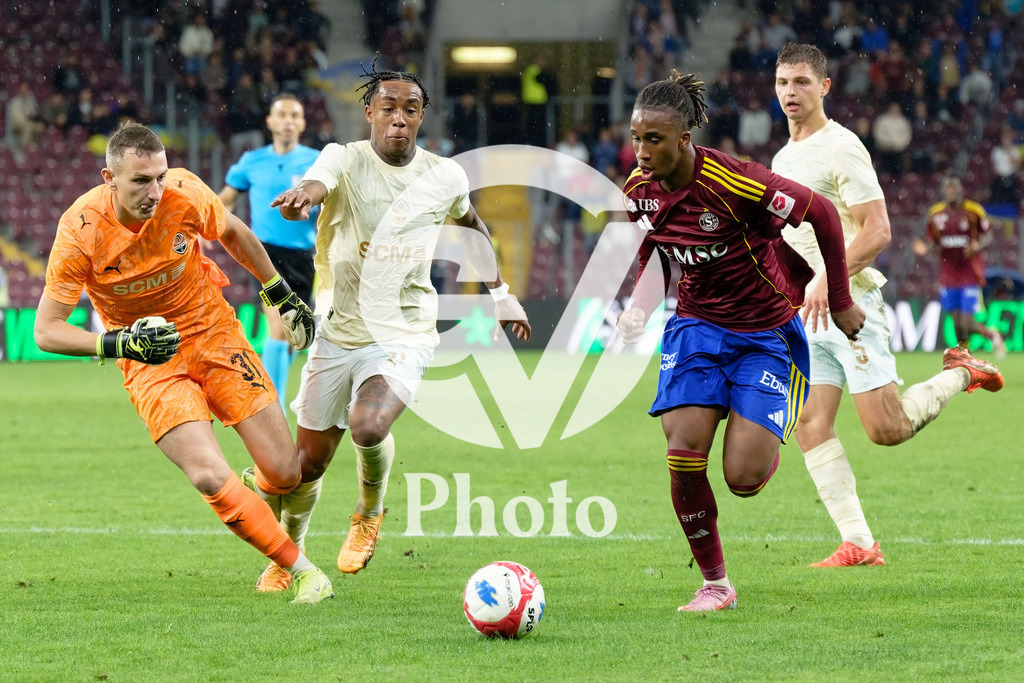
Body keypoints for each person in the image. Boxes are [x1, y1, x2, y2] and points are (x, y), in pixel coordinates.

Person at [241, 66, 532, 593]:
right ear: (370, 114)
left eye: (410, 110)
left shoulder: (445, 175)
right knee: (304, 467)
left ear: (421, 116)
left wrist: (500, 293)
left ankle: (369, 512)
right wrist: (304, 196)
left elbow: (473, 227)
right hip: (336, 331)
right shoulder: (343, 158)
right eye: (389, 108)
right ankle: (289, 556)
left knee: (368, 424)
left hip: (404, 330)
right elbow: (316, 181)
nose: (399, 119)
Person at [33, 121, 334, 604]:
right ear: (109, 179)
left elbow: (234, 232)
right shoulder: (80, 230)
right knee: (208, 474)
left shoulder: (184, 191)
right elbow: (46, 330)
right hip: (147, 356)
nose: (156, 191)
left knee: (284, 474)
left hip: (213, 331)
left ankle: (264, 489)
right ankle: (300, 569)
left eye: (160, 176)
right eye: (140, 181)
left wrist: (279, 292)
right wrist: (120, 345)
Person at [615, 70, 867, 613]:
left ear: (685, 138)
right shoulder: (639, 189)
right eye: (635, 138)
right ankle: (715, 584)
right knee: (682, 453)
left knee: (743, 480)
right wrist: (638, 306)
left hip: (766, 333)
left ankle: (751, 410)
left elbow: (821, 212)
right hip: (696, 327)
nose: (640, 151)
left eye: (652, 139)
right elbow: (654, 245)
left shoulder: (738, 182)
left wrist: (840, 299)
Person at [772, 44, 1004, 569]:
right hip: (810, 309)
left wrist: (828, 279)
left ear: (825, 87)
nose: (791, 92)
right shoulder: (783, 160)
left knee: (886, 430)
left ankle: (962, 373)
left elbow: (878, 231)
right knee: (810, 422)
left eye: (802, 82)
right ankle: (858, 542)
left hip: (850, 299)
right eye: (784, 82)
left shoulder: (842, 147)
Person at [219, 93, 321, 409]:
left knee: (294, 336)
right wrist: (202, 226)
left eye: (294, 115)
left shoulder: (318, 161)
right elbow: (225, 200)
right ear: (270, 122)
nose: (288, 121)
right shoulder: (252, 162)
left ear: (302, 123)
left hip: (304, 256)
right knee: (278, 326)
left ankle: (272, 392)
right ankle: (271, 405)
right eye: (282, 115)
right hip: (264, 253)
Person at [914, 175, 1007, 357]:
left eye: (954, 188)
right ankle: (966, 357)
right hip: (948, 274)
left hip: (970, 274)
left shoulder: (973, 211)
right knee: (956, 323)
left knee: (966, 323)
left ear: (960, 190)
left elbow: (988, 236)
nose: (951, 192)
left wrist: (977, 246)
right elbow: (934, 244)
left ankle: (991, 334)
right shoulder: (935, 214)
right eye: (947, 189)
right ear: (943, 191)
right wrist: (926, 250)